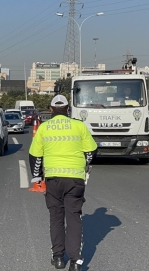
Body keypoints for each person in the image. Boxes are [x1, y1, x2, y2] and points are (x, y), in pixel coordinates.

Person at [28, 95, 97, 271]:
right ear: (68, 109)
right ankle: (75, 261)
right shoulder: (79, 126)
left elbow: (35, 155)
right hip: (75, 179)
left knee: (56, 218)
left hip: (53, 180)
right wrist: (85, 165)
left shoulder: (44, 128)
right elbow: (91, 151)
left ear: (51, 110)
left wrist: (37, 178)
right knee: (74, 218)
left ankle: (58, 257)